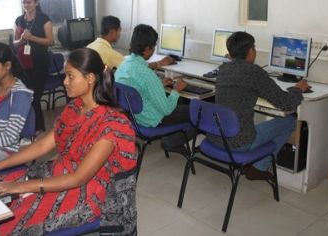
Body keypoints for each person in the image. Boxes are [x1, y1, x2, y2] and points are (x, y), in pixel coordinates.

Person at [0, 48, 137, 235]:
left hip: (88, 192)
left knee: (7, 224)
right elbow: (43, 145)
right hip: (63, 173)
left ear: (90, 78)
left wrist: (22, 186)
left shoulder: (112, 125)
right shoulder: (75, 107)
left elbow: (79, 178)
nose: (64, 82)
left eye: (70, 76)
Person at [212, 31, 311, 181]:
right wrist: (298, 89)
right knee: (289, 121)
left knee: (257, 122)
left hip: (216, 137)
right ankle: (259, 167)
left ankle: (250, 164)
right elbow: (285, 103)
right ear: (251, 51)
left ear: (230, 52)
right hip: (239, 143)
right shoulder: (253, 72)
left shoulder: (223, 70)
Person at [115, 24, 195, 150]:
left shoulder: (124, 65)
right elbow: (167, 110)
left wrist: (159, 84)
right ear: (147, 49)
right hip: (152, 119)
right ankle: (171, 142)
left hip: (134, 118)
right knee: (196, 111)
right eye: (153, 47)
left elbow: (137, 88)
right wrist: (176, 90)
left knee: (181, 104)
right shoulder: (147, 74)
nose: (154, 51)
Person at [13, 0, 53, 133]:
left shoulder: (44, 19)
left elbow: (50, 41)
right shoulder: (19, 20)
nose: (26, 5)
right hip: (23, 65)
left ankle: (37, 128)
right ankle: (34, 127)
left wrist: (32, 38)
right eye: (24, 2)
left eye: (29, 2)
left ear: (36, 2)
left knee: (34, 97)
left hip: (39, 64)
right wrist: (21, 39)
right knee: (25, 97)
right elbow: (14, 43)